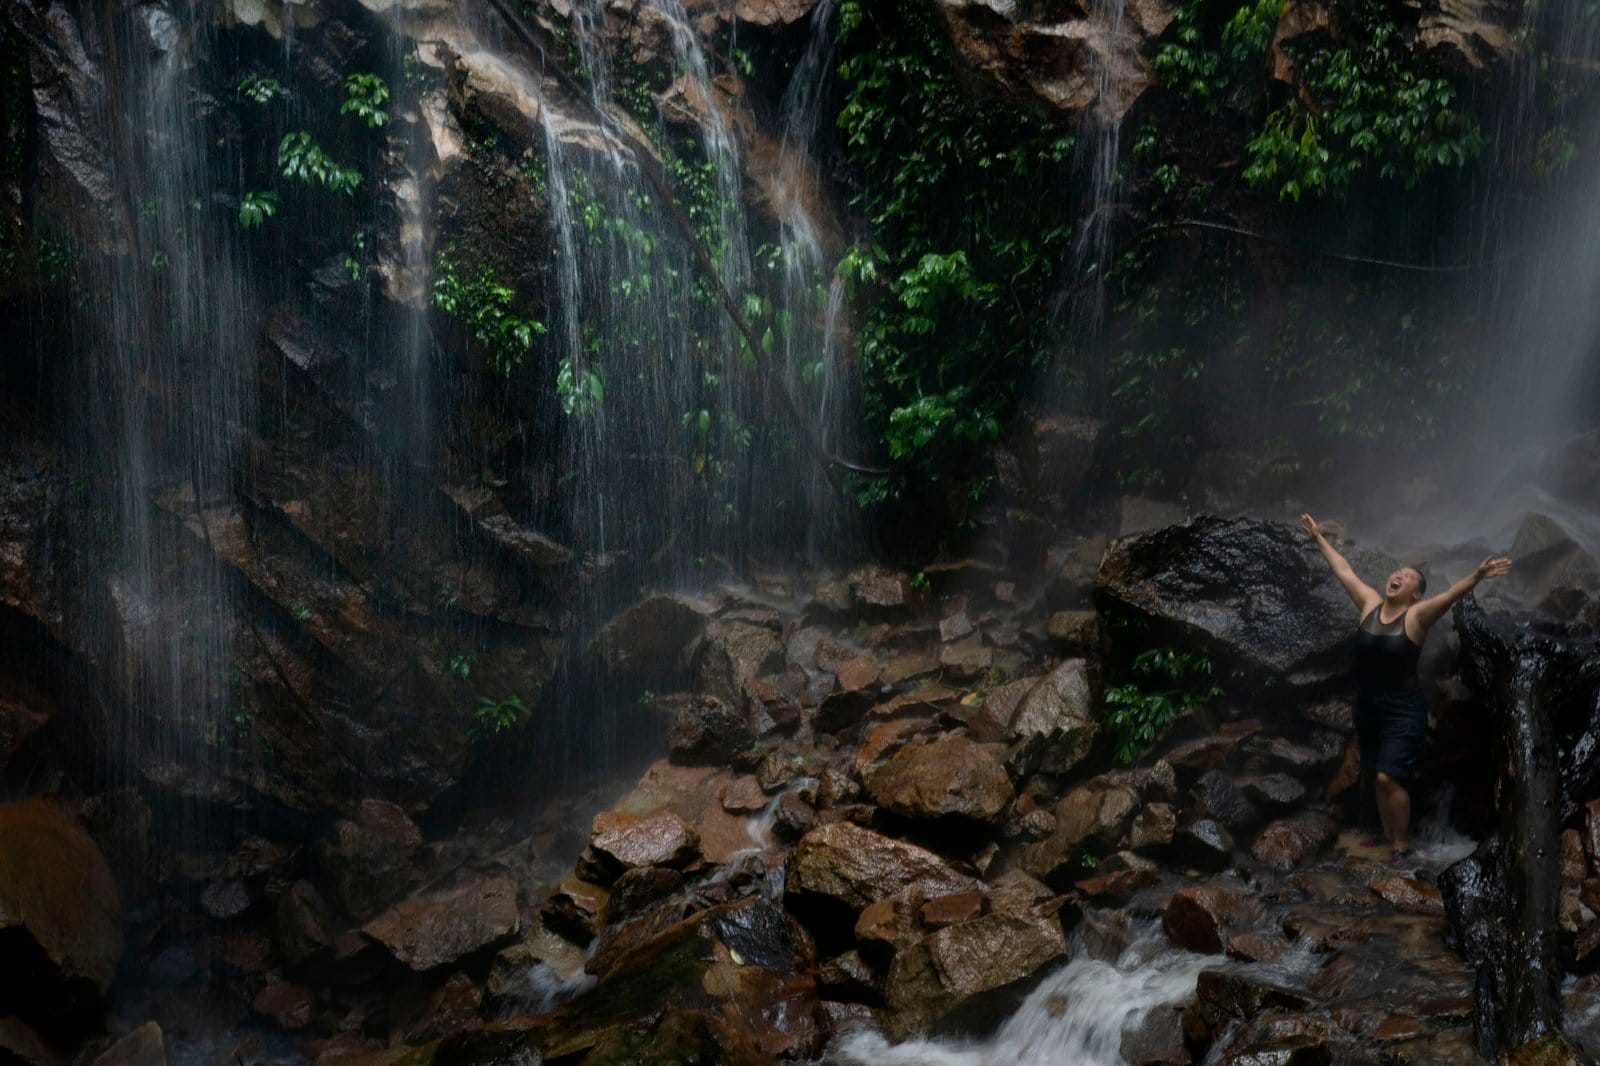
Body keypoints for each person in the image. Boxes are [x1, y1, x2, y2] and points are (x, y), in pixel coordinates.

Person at [1300, 513, 1511, 863]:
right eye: (1396, 572)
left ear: (1415, 594)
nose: (1398, 575)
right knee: (1374, 774)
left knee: (1388, 776)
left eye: (1408, 577)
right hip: (1368, 705)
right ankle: (1386, 836)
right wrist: (1319, 538)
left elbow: (1447, 597)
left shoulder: (1415, 617)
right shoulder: (1369, 604)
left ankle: (1401, 846)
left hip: (1403, 708)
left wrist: (1477, 576)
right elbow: (1345, 571)